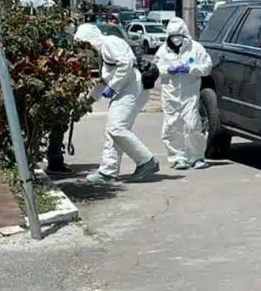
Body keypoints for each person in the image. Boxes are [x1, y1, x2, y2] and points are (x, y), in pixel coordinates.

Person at [73, 23, 161, 183]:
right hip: (126, 87)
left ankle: (146, 161)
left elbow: (125, 64)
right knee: (113, 130)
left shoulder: (109, 43)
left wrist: (113, 87)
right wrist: (87, 102)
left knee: (117, 128)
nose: (83, 49)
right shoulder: (102, 51)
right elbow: (104, 81)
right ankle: (108, 172)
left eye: (83, 44)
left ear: (89, 39)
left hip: (132, 87)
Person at [154, 17, 213, 170]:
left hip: (190, 94)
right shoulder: (163, 51)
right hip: (170, 95)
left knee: (192, 124)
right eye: (173, 36)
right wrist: (168, 70)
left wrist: (192, 69)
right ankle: (177, 158)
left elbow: (207, 67)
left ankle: (196, 157)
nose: (176, 39)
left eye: (179, 36)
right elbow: (156, 69)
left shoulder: (196, 48)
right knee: (172, 126)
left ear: (185, 35)